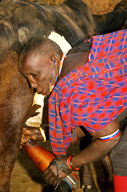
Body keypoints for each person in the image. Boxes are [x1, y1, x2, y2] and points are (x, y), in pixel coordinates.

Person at [19, 29, 127, 192]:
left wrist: (70, 163)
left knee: (120, 155)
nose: (32, 85)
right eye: (28, 78)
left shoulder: (70, 90)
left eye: (34, 75)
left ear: (53, 60)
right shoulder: (78, 52)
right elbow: (100, 115)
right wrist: (43, 133)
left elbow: (110, 137)